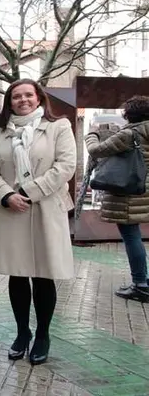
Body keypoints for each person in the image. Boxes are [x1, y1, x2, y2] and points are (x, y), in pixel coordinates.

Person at [0, 78, 76, 366]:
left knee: (43, 274)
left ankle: (43, 335)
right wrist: (7, 194)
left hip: (46, 209)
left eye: (28, 95)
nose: (22, 100)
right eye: (16, 97)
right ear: (9, 102)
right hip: (12, 211)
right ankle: (23, 332)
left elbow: (66, 166)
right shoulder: (0, 134)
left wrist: (28, 191)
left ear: (39, 98)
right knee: (18, 273)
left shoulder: (59, 126)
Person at [85, 95, 149, 303]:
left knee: (132, 236)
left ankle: (140, 284)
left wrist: (92, 134)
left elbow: (96, 150)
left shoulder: (130, 134)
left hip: (130, 191)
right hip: (145, 190)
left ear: (128, 114)